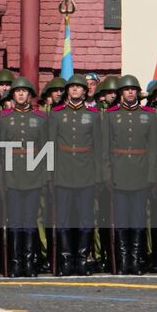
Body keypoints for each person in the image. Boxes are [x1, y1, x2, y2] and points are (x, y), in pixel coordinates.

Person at [49, 76, 104, 275]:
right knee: (63, 219)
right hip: (63, 173)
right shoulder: (56, 114)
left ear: (84, 91)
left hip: (86, 174)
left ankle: (81, 259)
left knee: (86, 219)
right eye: (71, 87)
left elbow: (99, 148)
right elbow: (50, 147)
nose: (74, 90)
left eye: (78, 87)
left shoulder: (94, 115)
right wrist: (50, 175)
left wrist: (98, 176)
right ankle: (66, 259)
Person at [105, 74, 157, 274]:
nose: (129, 92)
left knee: (137, 219)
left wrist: (151, 175)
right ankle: (122, 259)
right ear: (120, 93)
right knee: (120, 220)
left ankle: (135, 260)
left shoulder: (149, 115)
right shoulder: (111, 115)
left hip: (140, 173)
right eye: (126, 89)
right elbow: (105, 149)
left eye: (133, 89)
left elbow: (153, 149)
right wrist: (107, 174)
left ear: (137, 92)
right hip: (119, 173)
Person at [0, 76, 46, 276]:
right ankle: (15, 262)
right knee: (15, 222)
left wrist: (46, 178)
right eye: (17, 91)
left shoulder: (41, 119)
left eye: (25, 91)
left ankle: (29, 261)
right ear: (12, 95)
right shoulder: (2, 119)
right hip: (12, 176)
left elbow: (46, 149)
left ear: (30, 95)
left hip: (34, 176)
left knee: (30, 222)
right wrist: (0, 180)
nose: (21, 94)